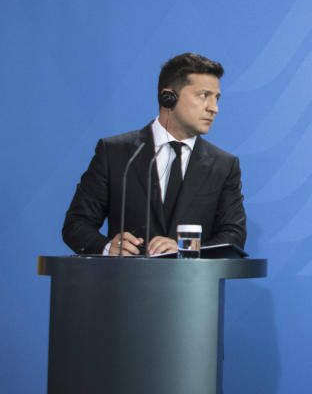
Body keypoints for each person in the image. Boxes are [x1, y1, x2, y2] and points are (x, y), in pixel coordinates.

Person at [63, 52, 246, 256]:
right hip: (125, 283)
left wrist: (186, 250)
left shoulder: (224, 165)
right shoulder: (115, 152)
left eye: (217, 98)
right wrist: (108, 248)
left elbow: (233, 235)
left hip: (193, 286)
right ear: (168, 97)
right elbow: (76, 225)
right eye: (204, 95)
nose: (214, 108)